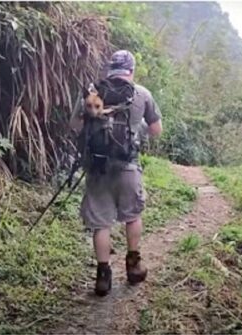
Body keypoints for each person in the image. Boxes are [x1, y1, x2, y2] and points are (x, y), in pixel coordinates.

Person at [70, 50, 162, 296]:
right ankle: (133, 266)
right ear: (131, 70)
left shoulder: (93, 92)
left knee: (101, 223)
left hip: (97, 168)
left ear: (109, 68)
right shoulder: (142, 94)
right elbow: (156, 130)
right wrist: (137, 127)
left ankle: (103, 277)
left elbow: (75, 125)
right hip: (128, 166)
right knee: (132, 215)